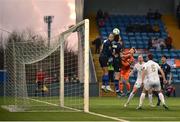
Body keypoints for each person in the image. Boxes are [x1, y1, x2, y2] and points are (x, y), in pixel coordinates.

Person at [111, 31, 123, 96]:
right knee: (117, 76)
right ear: (118, 38)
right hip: (117, 60)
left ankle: (118, 89)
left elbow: (112, 52)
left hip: (114, 60)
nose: (120, 37)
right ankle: (117, 90)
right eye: (119, 37)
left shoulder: (113, 44)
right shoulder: (119, 45)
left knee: (117, 74)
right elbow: (120, 54)